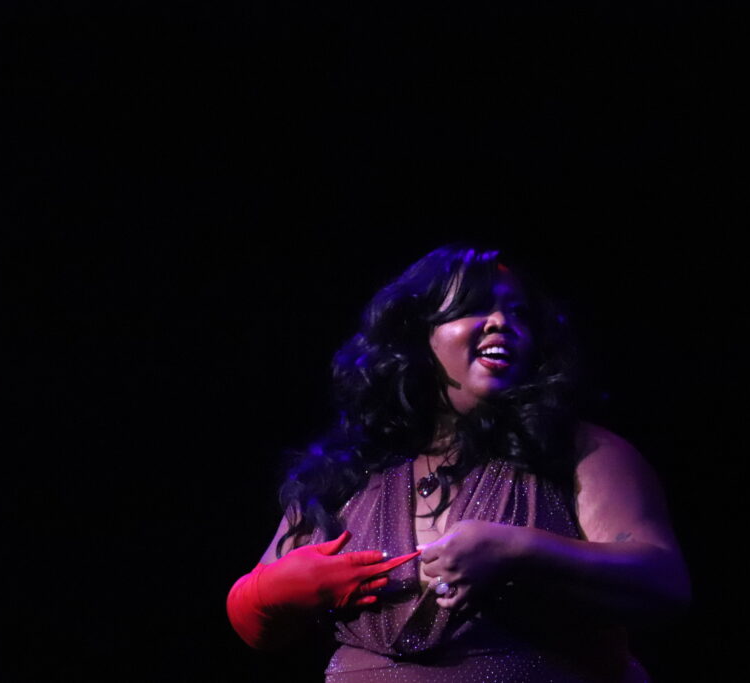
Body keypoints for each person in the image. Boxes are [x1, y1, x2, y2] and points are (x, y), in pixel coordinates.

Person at [226, 245, 691, 682]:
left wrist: (517, 549)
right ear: (415, 333)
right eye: (474, 306)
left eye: (519, 312)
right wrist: (272, 593)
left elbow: (664, 584)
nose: (501, 322)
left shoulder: (578, 451)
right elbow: (257, 628)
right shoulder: (349, 472)